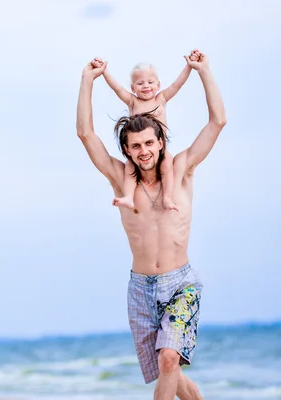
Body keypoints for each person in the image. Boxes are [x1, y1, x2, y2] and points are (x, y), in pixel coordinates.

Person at [76, 49, 226, 400]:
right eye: (135, 146)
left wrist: (203, 71)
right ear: (127, 151)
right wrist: (87, 81)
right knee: (168, 369)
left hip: (181, 285)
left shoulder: (184, 171)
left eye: (149, 143)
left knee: (170, 361)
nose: (143, 151)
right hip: (140, 289)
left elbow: (217, 122)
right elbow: (86, 134)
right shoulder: (120, 180)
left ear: (161, 142)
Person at [90, 56, 193, 212]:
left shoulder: (161, 98)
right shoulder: (132, 102)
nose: (146, 86)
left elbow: (178, 84)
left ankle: (167, 197)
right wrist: (104, 71)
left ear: (158, 84)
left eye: (150, 82)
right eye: (140, 83)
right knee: (129, 166)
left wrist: (189, 67)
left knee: (167, 164)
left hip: (159, 151)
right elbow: (116, 87)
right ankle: (129, 198)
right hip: (139, 152)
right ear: (133, 87)